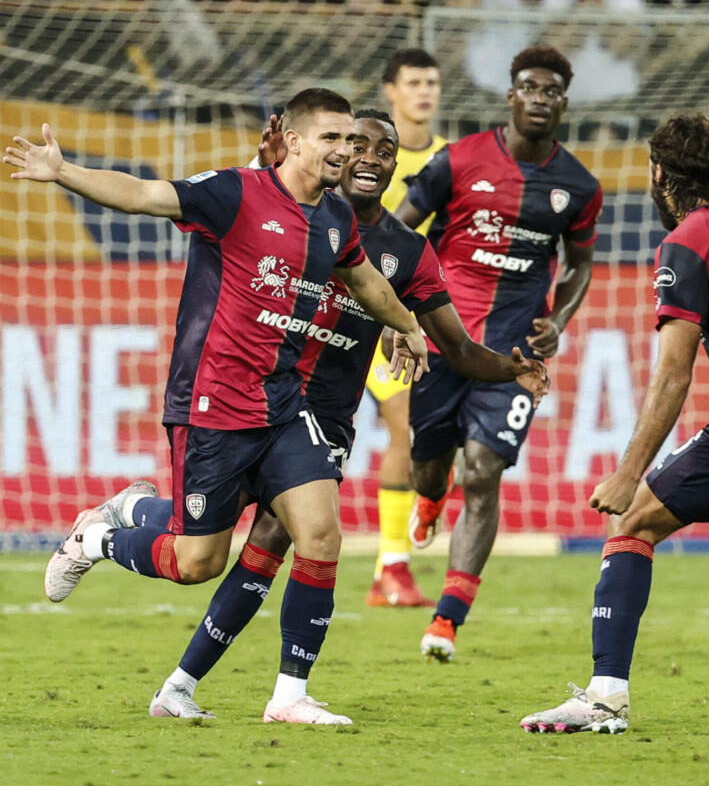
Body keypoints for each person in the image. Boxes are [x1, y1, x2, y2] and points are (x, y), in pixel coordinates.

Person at [4, 88, 432, 726]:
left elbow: (364, 277)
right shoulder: (237, 193)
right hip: (213, 406)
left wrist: (406, 324)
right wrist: (64, 171)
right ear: (291, 139)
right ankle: (98, 536)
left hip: (283, 405)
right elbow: (145, 194)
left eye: (350, 139)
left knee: (320, 533)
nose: (344, 151)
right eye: (332, 139)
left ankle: (290, 696)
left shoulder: (336, 218)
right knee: (197, 561)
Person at [134, 109, 548, 719]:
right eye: (359, 145)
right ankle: (134, 534)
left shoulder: (406, 252)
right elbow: (228, 208)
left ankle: (247, 691)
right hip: (246, 396)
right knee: (204, 556)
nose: (373, 158)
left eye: (387, 150)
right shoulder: (294, 213)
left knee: (294, 537)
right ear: (336, 155)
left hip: (322, 413)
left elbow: (455, 347)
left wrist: (510, 367)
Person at [520, 114, 709, 735]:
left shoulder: (690, 240)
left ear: (657, 175)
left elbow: (673, 375)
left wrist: (627, 474)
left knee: (635, 520)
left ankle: (604, 698)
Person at [393, 44, 602, 662]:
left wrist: (557, 319)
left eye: (552, 91)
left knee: (483, 472)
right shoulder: (455, 162)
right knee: (429, 469)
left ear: (564, 102)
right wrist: (398, 310)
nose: (541, 99)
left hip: (511, 359)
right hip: (440, 341)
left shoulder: (579, 186)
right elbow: (399, 232)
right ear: (510, 96)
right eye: (530, 88)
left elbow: (581, 266)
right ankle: (429, 499)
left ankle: (446, 620)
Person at [364, 49, 450, 608]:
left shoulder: (451, 161)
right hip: (361, 317)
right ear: (391, 90)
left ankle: (387, 568)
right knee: (406, 427)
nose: (424, 92)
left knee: (428, 437)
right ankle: (391, 567)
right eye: (413, 82)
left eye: (432, 82)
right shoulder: (366, 159)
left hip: (422, 319)